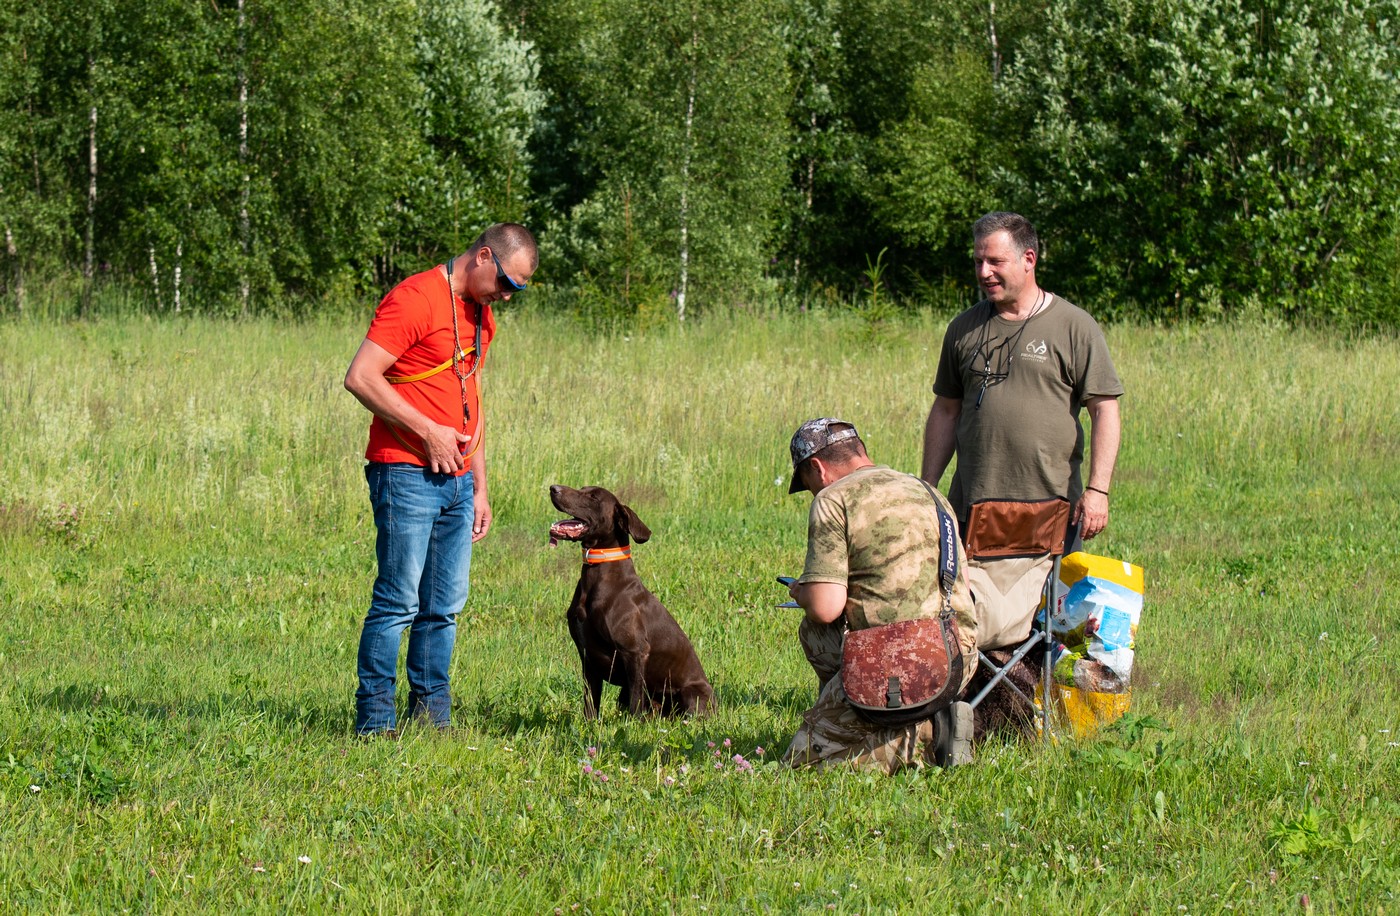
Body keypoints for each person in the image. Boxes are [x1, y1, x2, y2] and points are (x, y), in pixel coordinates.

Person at [344, 223, 537, 736]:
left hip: (457, 482)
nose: (508, 297)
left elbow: (471, 396)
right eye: (508, 284)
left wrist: (480, 486)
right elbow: (360, 377)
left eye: (518, 290)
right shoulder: (414, 299)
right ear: (483, 257)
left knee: (444, 606)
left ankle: (431, 717)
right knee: (398, 601)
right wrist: (428, 431)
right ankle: (376, 722)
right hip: (404, 472)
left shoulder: (481, 316)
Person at [921, 211, 1122, 652]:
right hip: (973, 506)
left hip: (1052, 509)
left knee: (1051, 622)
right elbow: (947, 410)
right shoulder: (964, 329)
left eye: (995, 261)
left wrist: (1099, 490)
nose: (983, 272)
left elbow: (1105, 410)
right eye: (978, 262)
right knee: (967, 612)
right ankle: (971, 705)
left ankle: (1037, 707)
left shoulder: (1074, 326)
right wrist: (928, 488)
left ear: (1029, 259)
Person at [781, 418, 979, 772]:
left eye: (808, 484)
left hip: (900, 661)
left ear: (817, 468)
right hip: (957, 653)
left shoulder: (833, 499)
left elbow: (826, 608)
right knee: (815, 635)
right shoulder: (928, 491)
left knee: (800, 767)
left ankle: (923, 737)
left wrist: (803, 592)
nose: (813, 492)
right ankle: (874, 711)